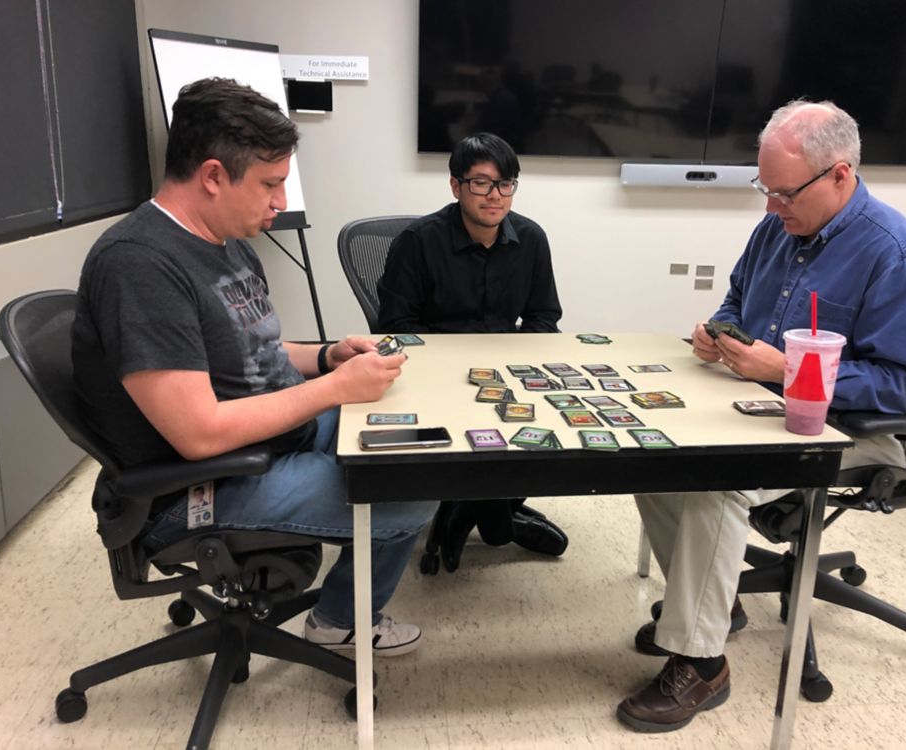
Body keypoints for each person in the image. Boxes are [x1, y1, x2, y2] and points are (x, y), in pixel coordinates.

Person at [71, 77, 438, 657]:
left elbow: (253, 350)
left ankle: (341, 609)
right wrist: (333, 390)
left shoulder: (225, 238)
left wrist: (325, 358)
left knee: (416, 447)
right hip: (194, 486)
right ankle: (340, 622)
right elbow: (197, 433)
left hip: (268, 438)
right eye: (270, 184)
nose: (281, 202)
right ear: (213, 176)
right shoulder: (138, 267)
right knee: (409, 497)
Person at [617, 100, 906, 732]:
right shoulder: (780, 227)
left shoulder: (899, 255)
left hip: (850, 432)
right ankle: (714, 607)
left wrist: (784, 371)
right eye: (764, 190)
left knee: (719, 481)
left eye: (784, 192)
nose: (771, 207)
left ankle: (701, 662)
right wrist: (721, 334)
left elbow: (901, 387)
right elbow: (738, 300)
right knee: (651, 455)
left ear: (840, 176)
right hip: (762, 404)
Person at [376, 131, 567, 570]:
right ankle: (497, 523)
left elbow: (543, 318)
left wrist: (513, 367)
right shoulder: (417, 242)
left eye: (505, 184)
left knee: (555, 429)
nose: (494, 195)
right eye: (481, 183)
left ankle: (472, 505)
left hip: (506, 373)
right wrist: (458, 368)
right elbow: (397, 329)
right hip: (433, 376)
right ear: (456, 186)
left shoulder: (532, 240)